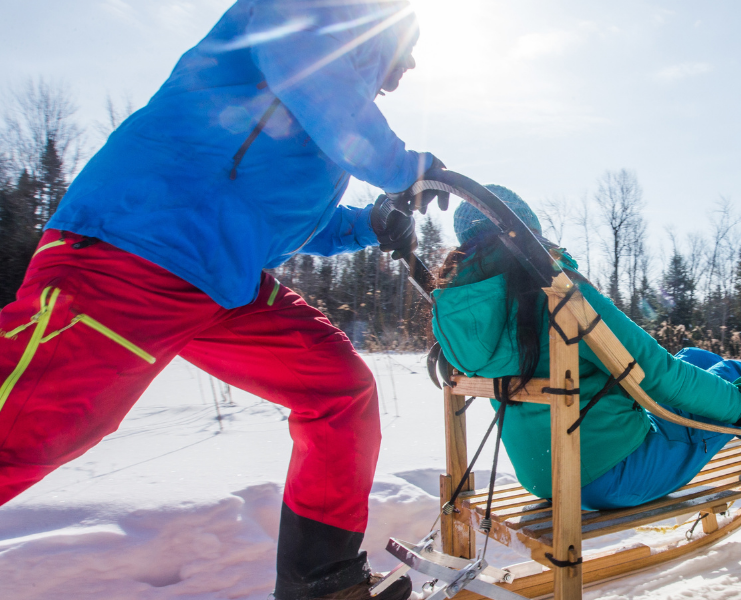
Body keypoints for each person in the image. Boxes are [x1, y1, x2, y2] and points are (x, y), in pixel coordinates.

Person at [0, 2, 443, 598]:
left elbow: (289, 218)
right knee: (28, 432)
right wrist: (403, 167)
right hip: (136, 248)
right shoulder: (310, 21)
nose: (411, 66)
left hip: (222, 283)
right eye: (409, 48)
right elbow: (314, 79)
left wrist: (369, 224)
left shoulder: (325, 118)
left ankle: (321, 583)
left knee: (339, 390)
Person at [430, 186, 741, 510]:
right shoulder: (559, 296)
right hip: (616, 473)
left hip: (545, 473)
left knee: (698, 360)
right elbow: (661, 376)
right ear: (529, 232)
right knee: (734, 381)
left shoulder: (461, 316)